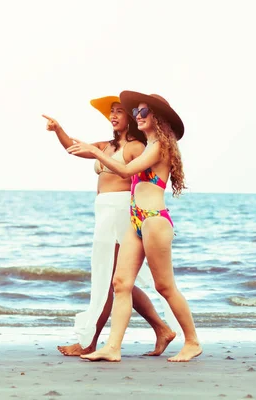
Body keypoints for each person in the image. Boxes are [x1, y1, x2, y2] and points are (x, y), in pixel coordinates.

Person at [68, 91, 202, 362]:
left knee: (165, 286)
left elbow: (127, 171)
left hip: (154, 219)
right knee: (120, 282)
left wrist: (95, 151)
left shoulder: (159, 146)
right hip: (137, 219)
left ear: (157, 117)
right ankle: (112, 348)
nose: (137, 116)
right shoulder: (148, 143)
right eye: (136, 112)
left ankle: (192, 341)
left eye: (142, 112)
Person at [43, 96, 178, 357]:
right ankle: (161, 329)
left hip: (120, 212)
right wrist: (59, 130)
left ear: (131, 117)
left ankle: (90, 343)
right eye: (111, 113)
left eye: (119, 112)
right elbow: (73, 146)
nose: (113, 116)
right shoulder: (106, 145)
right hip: (104, 212)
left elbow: (136, 175)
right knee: (118, 280)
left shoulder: (136, 147)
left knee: (110, 280)